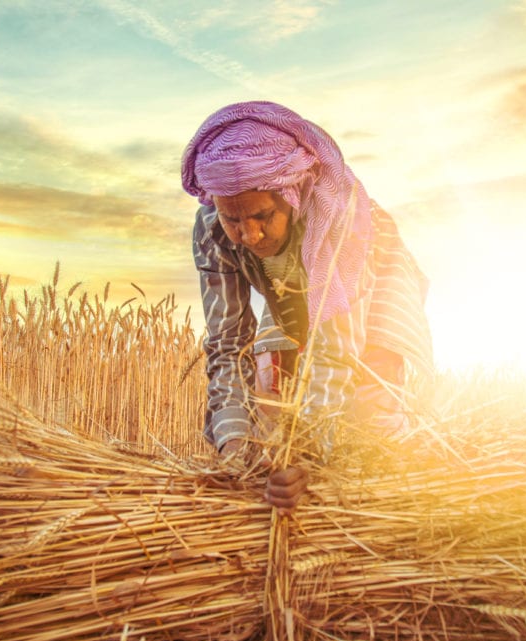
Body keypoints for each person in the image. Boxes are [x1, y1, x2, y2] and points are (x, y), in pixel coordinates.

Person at [181, 101, 434, 513]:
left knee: (371, 403)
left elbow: (335, 350)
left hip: (375, 275)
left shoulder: (338, 218)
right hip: (290, 286)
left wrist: (308, 458)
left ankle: (389, 508)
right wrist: (236, 448)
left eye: (262, 215)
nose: (248, 234)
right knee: (270, 390)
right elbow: (227, 344)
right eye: (233, 220)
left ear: (291, 195)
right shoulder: (211, 228)